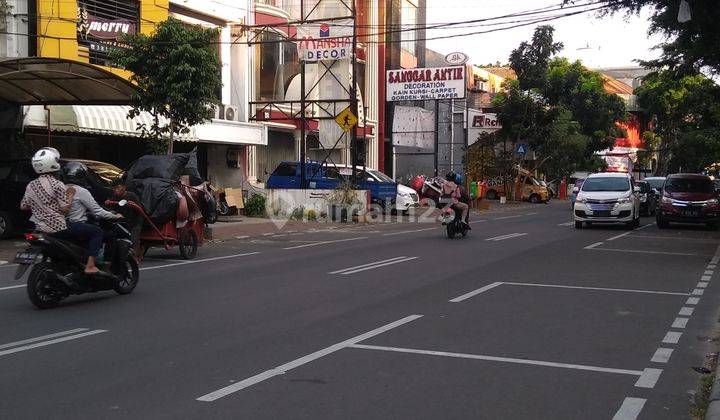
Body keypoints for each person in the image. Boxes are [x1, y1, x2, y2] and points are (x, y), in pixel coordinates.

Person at [19, 148, 101, 274]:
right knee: (96, 231)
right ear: (53, 163)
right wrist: (70, 194)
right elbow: (65, 209)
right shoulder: (57, 184)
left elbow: (23, 206)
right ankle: (90, 266)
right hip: (58, 228)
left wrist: (40, 204)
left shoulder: (31, 185)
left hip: (39, 228)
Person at [107, 179, 143, 252]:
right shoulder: (114, 196)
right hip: (123, 221)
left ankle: (135, 255)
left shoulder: (131, 195)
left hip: (135, 221)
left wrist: (133, 206)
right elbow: (111, 208)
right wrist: (110, 206)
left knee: (133, 239)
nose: (116, 190)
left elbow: (139, 210)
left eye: (118, 187)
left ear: (124, 187)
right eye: (114, 188)